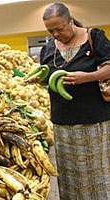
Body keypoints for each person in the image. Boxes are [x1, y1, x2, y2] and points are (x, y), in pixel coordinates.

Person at [35, 2, 110, 200]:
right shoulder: (48, 48)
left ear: (70, 21)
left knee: (96, 174)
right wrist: (38, 79)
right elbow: (47, 78)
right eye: (51, 31)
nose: (56, 34)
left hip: (93, 122)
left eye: (59, 28)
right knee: (70, 176)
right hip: (63, 124)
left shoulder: (94, 37)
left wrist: (86, 77)